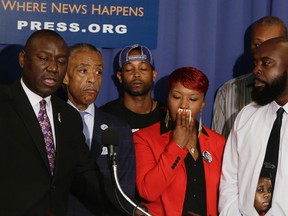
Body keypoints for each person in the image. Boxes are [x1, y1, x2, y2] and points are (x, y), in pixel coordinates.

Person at [0, 29, 145, 216]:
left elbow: (87, 177)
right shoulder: (3, 103)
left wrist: (131, 209)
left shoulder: (68, 117)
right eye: (44, 59)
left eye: (61, 62)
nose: (53, 68)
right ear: (23, 59)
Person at [134, 66, 226, 216]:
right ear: (168, 98)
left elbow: (225, 195)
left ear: (202, 104)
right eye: (177, 97)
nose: (184, 105)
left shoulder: (217, 142)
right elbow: (147, 192)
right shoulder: (144, 138)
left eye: (193, 99)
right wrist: (176, 145)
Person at [62, 43, 136, 216]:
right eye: (83, 71)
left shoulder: (118, 129)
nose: (92, 79)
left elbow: (125, 193)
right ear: (65, 76)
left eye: (98, 72)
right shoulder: (49, 122)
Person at [219, 37, 288, 215]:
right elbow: (230, 181)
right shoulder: (246, 116)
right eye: (255, 63)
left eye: (266, 63)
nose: (256, 70)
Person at [212, 16, 287, 138]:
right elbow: (217, 149)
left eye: (273, 42)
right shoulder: (227, 93)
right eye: (258, 45)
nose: (264, 49)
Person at [100, 44, 162, 133]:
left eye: (143, 69)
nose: (136, 74)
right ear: (120, 76)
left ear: (154, 75)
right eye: (129, 69)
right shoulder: (106, 115)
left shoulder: (166, 115)